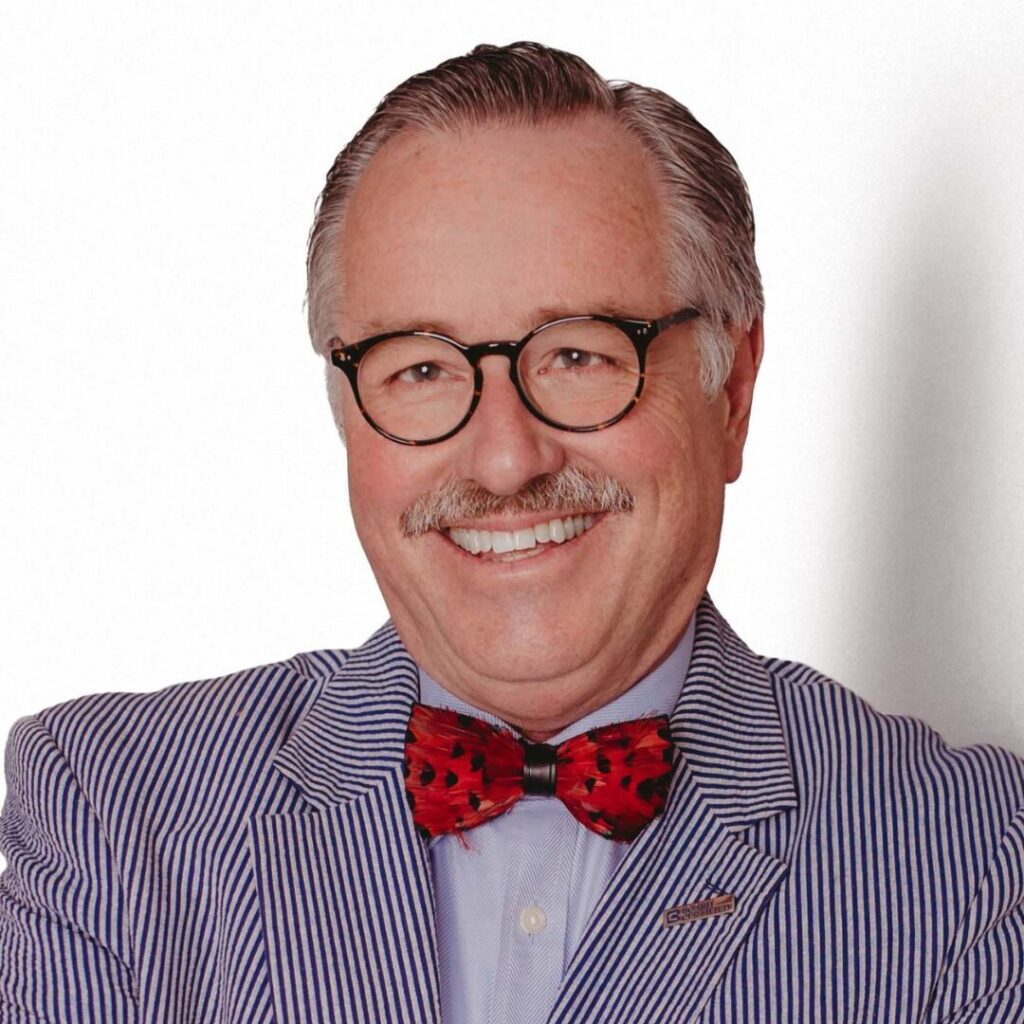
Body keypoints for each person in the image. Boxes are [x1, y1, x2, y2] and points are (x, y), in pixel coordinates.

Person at [1, 39, 1022, 1024]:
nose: (503, 460)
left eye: (579, 355)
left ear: (732, 392)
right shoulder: (110, 811)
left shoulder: (976, 862)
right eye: (420, 368)